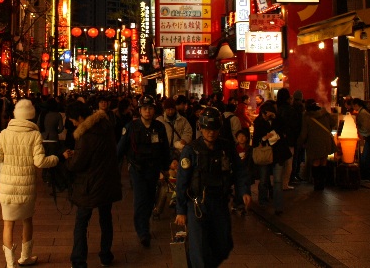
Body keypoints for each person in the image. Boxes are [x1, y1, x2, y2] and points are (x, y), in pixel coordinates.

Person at [175, 107, 251, 268]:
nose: (211, 133)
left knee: (224, 245)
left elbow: (239, 170)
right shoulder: (191, 150)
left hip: (220, 202)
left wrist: (244, 191)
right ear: (201, 128)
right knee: (199, 248)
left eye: (215, 129)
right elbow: (182, 181)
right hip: (197, 204)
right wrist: (180, 210)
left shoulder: (226, 148)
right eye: (207, 129)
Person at [0, 99, 59, 268]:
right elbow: (40, 162)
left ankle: (10, 263)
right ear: (31, 117)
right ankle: (25, 257)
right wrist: (56, 159)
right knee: (27, 221)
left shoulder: (4, 134)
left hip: (7, 185)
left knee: (8, 223)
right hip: (26, 185)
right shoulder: (34, 135)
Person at [62, 100, 122, 268]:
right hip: (107, 181)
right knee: (106, 218)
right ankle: (105, 255)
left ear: (80, 117)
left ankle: (79, 260)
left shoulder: (86, 134)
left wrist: (68, 160)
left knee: (81, 221)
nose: (73, 123)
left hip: (89, 184)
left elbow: (77, 164)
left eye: (73, 120)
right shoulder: (106, 126)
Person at [116, 94, 170, 248]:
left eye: (150, 108)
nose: (148, 111)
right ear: (139, 110)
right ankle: (143, 231)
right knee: (140, 199)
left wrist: (165, 168)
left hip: (153, 169)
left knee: (150, 198)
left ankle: (144, 223)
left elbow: (164, 148)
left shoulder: (159, 127)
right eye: (145, 108)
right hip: (137, 169)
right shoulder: (130, 127)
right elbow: (120, 150)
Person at [251, 101, 291, 215]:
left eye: (267, 114)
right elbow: (255, 141)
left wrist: (276, 118)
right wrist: (264, 138)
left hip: (278, 155)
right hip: (265, 154)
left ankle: (278, 206)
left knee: (278, 181)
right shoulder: (258, 122)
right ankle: (262, 201)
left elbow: (285, 129)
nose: (265, 116)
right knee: (263, 179)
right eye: (264, 114)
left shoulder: (278, 120)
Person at [298, 99, 337, 191]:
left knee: (316, 162)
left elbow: (304, 133)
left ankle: (317, 183)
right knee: (323, 161)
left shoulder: (306, 116)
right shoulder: (324, 113)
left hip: (313, 142)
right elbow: (333, 122)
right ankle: (322, 183)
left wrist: (300, 143)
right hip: (326, 140)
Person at [352, 98, 370, 183]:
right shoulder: (363, 112)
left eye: (353, 105)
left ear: (357, 105)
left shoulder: (362, 113)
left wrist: (358, 129)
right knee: (368, 157)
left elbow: (366, 127)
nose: (353, 107)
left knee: (368, 157)